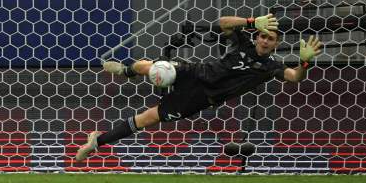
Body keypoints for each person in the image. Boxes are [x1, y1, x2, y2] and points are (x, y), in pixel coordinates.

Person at [75, 14, 322, 164]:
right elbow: (224, 23)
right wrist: (249, 21)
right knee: (154, 67)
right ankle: (127, 72)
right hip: (197, 73)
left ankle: (97, 142)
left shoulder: (271, 66)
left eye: (270, 39)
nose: (265, 41)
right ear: (257, 36)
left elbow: (294, 77)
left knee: (148, 118)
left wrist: (305, 62)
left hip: (203, 97)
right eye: (263, 36)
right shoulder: (244, 41)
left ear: (276, 43)